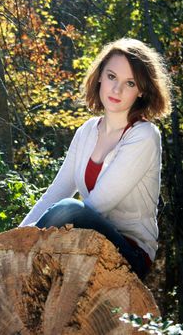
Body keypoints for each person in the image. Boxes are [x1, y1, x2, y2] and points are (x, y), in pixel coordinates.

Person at [19, 38, 172, 280]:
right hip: (87, 240)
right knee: (62, 210)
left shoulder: (144, 136)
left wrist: (22, 245)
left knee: (69, 210)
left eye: (129, 83)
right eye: (112, 77)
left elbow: (96, 205)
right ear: (100, 76)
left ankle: (17, 261)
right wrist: (15, 236)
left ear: (141, 90)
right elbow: (56, 192)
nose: (117, 90)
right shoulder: (87, 131)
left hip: (130, 252)